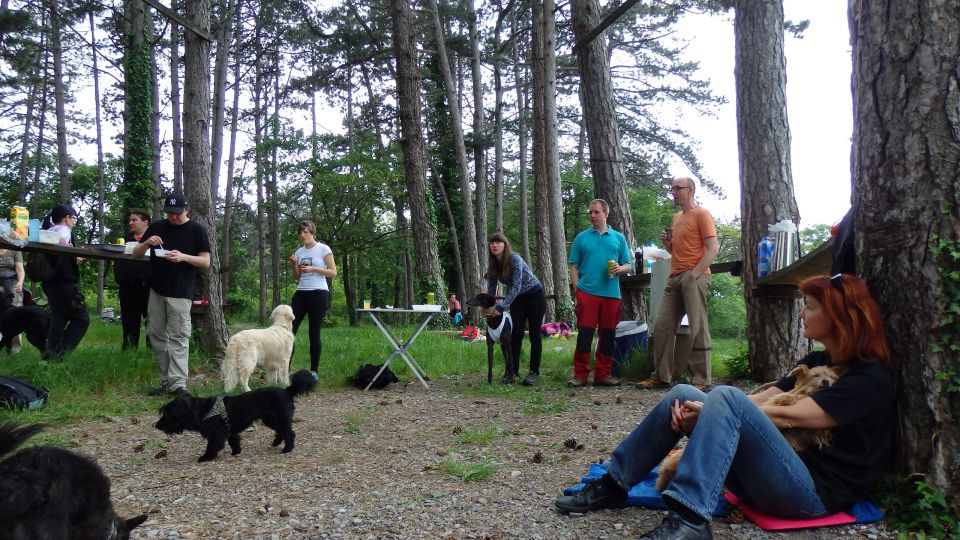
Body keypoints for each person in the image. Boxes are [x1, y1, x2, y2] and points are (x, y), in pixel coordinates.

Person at [555, 273, 894, 540]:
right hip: (771, 477)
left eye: (811, 306)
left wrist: (716, 413)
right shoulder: (818, 360)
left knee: (725, 399)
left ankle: (689, 518)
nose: (802, 311)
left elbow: (792, 416)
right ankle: (615, 484)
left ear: (839, 315)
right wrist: (710, 413)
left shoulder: (869, 378)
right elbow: (762, 400)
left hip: (809, 496)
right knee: (684, 391)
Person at [639, 177, 719, 391]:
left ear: (690, 190)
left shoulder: (702, 214)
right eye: (672, 188)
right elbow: (676, 252)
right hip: (674, 277)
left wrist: (694, 274)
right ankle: (661, 376)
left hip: (695, 276)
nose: (672, 192)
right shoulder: (676, 217)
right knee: (662, 326)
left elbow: (713, 248)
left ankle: (701, 379)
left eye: (677, 188)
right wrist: (668, 245)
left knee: (697, 326)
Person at [133, 193, 211, 397]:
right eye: (169, 213)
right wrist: (147, 243)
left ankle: (179, 384)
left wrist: (183, 257)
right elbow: (136, 254)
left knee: (178, 337)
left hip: (181, 291)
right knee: (157, 335)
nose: (173, 217)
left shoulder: (196, 230)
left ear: (187, 210)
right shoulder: (158, 227)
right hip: (156, 289)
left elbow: (205, 262)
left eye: (177, 213)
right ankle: (165, 381)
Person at [567, 199, 632, 387]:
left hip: (611, 293)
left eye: (596, 212)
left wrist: (620, 268)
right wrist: (577, 288)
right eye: (590, 212)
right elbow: (573, 265)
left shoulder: (618, 238)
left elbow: (628, 264)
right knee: (585, 334)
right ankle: (580, 374)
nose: (592, 215)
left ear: (606, 213)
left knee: (608, 334)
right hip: (587, 292)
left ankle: (603, 374)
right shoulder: (582, 238)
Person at [484, 232, 547, 386]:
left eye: (498, 242)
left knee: (534, 334)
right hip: (518, 299)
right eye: (492, 243)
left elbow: (517, 286)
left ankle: (533, 372)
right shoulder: (493, 266)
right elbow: (491, 290)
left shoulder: (515, 259)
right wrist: (487, 307)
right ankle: (512, 371)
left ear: (505, 245)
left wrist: (501, 307)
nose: (494, 245)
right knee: (516, 334)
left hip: (535, 296)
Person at [288, 220, 336, 380]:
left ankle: (314, 372)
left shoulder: (323, 249)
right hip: (301, 293)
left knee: (313, 333)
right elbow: (297, 277)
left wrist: (314, 268)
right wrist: (294, 264)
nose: (303, 235)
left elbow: (333, 272)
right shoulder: (299, 251)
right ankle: (285, 369)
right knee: (289, 332)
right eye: (300, 232)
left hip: (319, 294)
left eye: (306, 232)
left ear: (312, 232)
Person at [43, 204, 90, 360]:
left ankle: (50, 357)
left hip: (50, 284)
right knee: (82, 320)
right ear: (67, 218)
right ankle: (60, 354)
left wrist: (73, 258)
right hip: (64, 284)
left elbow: (57, 257)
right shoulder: (64, 231)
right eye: (74, 218)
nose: (74, 222)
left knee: (58, 321)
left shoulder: (47, 233)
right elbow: (62, 245)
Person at [114, 210, 152, 350]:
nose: (130, 222)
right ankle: (129, 352)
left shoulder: (155, 240)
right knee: (129, 322)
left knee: (152, 322)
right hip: (127, 287)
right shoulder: (125, 240)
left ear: (145, 222)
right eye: (130, 220)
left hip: (148, 288)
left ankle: (152, 353)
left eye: (134, 220)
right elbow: (117, 262)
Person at [0, 248, 25, 352]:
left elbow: (20, 269)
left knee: (15, 318)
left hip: (13, 285)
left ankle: (15, 349)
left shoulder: (14, 249)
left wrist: (20, 282)